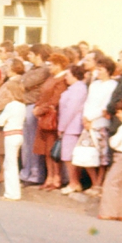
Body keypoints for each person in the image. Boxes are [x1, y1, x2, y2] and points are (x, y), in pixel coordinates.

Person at [79, 55, 118, 195]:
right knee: (87, 154)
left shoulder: (112, 85)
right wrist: (85, 118)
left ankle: (99, 184)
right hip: (88, 123)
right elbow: (88, 102)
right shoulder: (94, 84)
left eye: (101, 69)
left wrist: (91, 118)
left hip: (101, 122)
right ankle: (94, 182)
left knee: (102, 155)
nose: (98, 72)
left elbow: (105, 106)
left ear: (108, 70)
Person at [33, 53, 70, 191]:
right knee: (45, 150)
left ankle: (57, 177)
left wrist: (40, 110)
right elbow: (42, 95)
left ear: (59, 65)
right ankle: (49, 176)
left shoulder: (61, 80)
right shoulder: (51, 78)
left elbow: (55, 100)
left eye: (52, 64)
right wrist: (37, 106)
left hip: (52, 118)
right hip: (43, 117)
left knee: (53, 149)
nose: (50, 67)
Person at [98, 99, 122, 221]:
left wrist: (111, 140)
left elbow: (115, 142)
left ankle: (108, 212)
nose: (117, 115)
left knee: (111, 183)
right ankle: (121, 212)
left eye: (119, 112)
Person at [19, 44, 52, 184]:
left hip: (33, 105)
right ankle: (26, 172)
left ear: (38, 55)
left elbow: (25, 83)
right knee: (26, 142)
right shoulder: (32, 69)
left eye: (31, 54)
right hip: (26, 104)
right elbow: (21, 82)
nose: (28, 56)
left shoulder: (44, 70)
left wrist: (26, 85)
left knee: (33, 142)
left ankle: (35, 174)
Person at [58, 65, 88, 194]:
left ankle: (74, 182)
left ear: (75, 75)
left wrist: (61, 126)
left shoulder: (78, 89)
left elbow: (70, 110)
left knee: (68, 156)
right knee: (69, 156)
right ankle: (74, 182)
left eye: (68, 75)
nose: (65, 78)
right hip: (71, 125)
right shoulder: (75, 88)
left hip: (72, 126)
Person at [0, 79, 27, 200]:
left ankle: (11, 193)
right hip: (18, 134)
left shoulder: (10, 105)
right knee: (12, 163)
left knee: (10, 164)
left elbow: (0, 121)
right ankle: (14, 192)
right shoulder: (22, 105)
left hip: (10, 135)